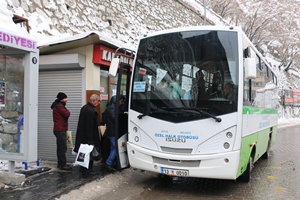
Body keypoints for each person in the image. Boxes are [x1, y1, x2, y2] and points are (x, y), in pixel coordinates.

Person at [74, 94, 101, 178]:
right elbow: (89, 126)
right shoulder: (90, 111)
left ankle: (82, 169)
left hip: (82, 136)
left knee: (83, 153)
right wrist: (90, 140)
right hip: (88, 137)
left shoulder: (84, 107)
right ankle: (88, 171)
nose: (99, 103)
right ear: (93, 101)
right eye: (98, 101)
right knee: (89, 154)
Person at [103, 95, 126, 172]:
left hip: (113, 131)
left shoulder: (114, 107)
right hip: (113, 131)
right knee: (116, 148)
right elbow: (115, 119)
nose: (122, 103)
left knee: (113, 148)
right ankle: (108, 162)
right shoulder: (112, 108)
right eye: (122, 101)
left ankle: (112, 162)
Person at [50, 92, 72, 170]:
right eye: (65, 98)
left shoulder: (57, 106)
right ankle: (62, 164)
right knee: (62, 147)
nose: (67, 100)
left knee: (60, 147)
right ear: (62, 99)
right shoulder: (60, 107)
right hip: (60, 129)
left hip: (58, 129)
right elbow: (67, 114)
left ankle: (60, 163)